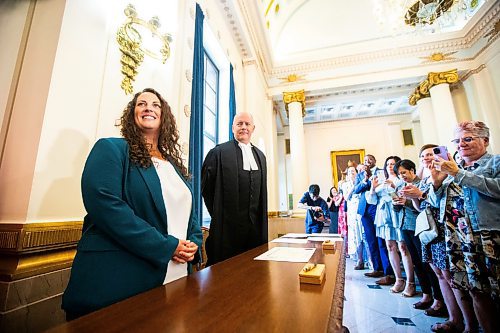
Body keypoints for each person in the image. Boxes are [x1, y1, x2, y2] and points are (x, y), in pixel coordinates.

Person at [62, 88, 202, 319]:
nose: (149, 107)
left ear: (164, 116)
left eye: (156, 105)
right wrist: (166, 246)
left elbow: (190, 215)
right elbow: (106, 206)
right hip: (120, 281)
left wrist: (194, 243)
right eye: (141, 104)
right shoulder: (112, 149)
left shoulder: (175, 166)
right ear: (132, 114)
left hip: (176, 276)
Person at [430, 121, 499, 333]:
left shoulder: (495, 163)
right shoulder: (454, 166)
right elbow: (436, 202)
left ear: (485, 140)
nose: (461, 144)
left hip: (489, 235)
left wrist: (458, 174)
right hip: (460, 238)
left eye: (467, 138)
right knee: (476, 290)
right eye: (457, 140)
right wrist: (436, 183)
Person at [401, 145, 475, 332]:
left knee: (453, 277)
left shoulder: (450, 172)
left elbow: (444, 200)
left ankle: (469, 323)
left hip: (446, 229)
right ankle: (454, 318)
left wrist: (422, 194)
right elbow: (420, 208)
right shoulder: (425, 178)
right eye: (423, 155)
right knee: (441, 275)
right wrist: (415, 197)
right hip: (429, 230)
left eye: (430, 154)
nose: (427, 158)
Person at [201, 112, 268, 266]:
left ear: (253, 128)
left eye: (247, 124)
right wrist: (219, 213)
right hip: (227, 231)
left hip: (255, 232)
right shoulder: (218, 153)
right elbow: (206, 188)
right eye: (239, 124)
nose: (243, 127)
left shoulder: (260, 156)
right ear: (233, 128)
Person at [367, 156, 414, 295]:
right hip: (384, 214)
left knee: (403, 247)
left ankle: (410, 281)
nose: (389, 166)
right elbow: (372, 200)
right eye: (387, 164)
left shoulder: (401, 179)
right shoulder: (381, 181)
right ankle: (399, 279)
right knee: (390, 246)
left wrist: (393, 187)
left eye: (393, 164)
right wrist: (373, 188)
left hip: (397, 213)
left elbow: (401, 197)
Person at [354, 154, 394, 285]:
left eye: (369, 159)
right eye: (365, 160)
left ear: (374, 161)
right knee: (371, 240)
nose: (367, 161)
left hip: (377, 207)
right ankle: (377, 268)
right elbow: (356, 190)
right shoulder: (360, 175)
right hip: (364, 209)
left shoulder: (381, 172)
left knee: (381, 240)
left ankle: (388, 271)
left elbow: (381, 187)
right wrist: (365, 180)